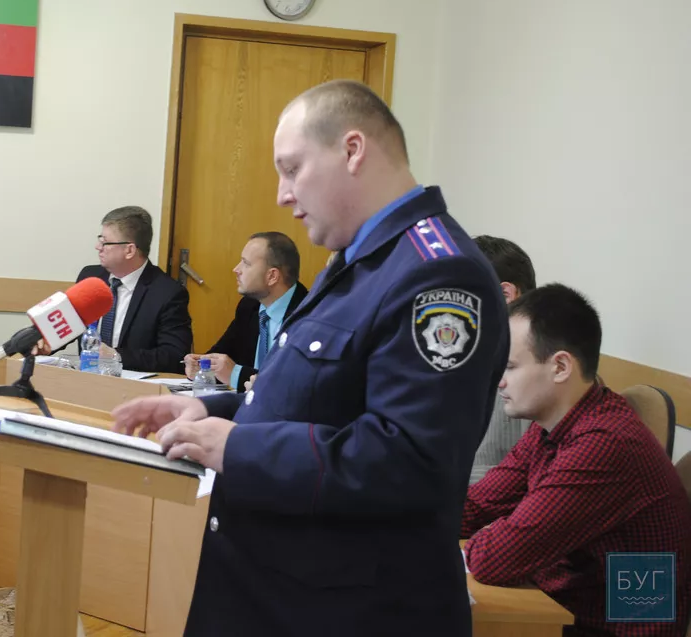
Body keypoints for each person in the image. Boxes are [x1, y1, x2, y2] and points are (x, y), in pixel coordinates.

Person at [112, 79, 509, 636]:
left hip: (350, 611)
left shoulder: (438, 274)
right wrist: (212, 410)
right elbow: (317, 397)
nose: (282, 194)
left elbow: (409, 461)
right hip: (281, 591)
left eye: (292, 169)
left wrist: (240, 447)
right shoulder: (359, 260)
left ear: (353, 150)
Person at [462, 283, 691, 636]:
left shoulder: (606, 444)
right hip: (570, 603)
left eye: (509, 366)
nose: (500, 382)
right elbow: (474, 508)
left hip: (614, 627)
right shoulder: (552, 425)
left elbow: (496, 559)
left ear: (560, 367)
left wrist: (497, 532)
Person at [183, 232, 308, 392]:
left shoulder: (308, 315)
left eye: (246, 264)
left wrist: (236, 375)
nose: (236, 269)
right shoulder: (250, 305)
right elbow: (223, 354)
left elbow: (292, 383)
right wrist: (200, 366)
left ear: (272, 276)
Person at [74, 206, 192, 373]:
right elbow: (69, 324)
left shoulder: (167, 293)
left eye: (105, 242)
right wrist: (45, 343)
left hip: (134, 383)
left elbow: (173, 355)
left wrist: (116, 355)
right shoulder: (90, 277)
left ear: (129, 250)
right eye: (99, 239)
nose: (97, 247)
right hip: (87, 378)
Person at [470, 235, 537, 484]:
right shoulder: (479, 354)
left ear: (505, 294)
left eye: (459, 294)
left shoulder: (534, 369)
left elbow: (520, 478)